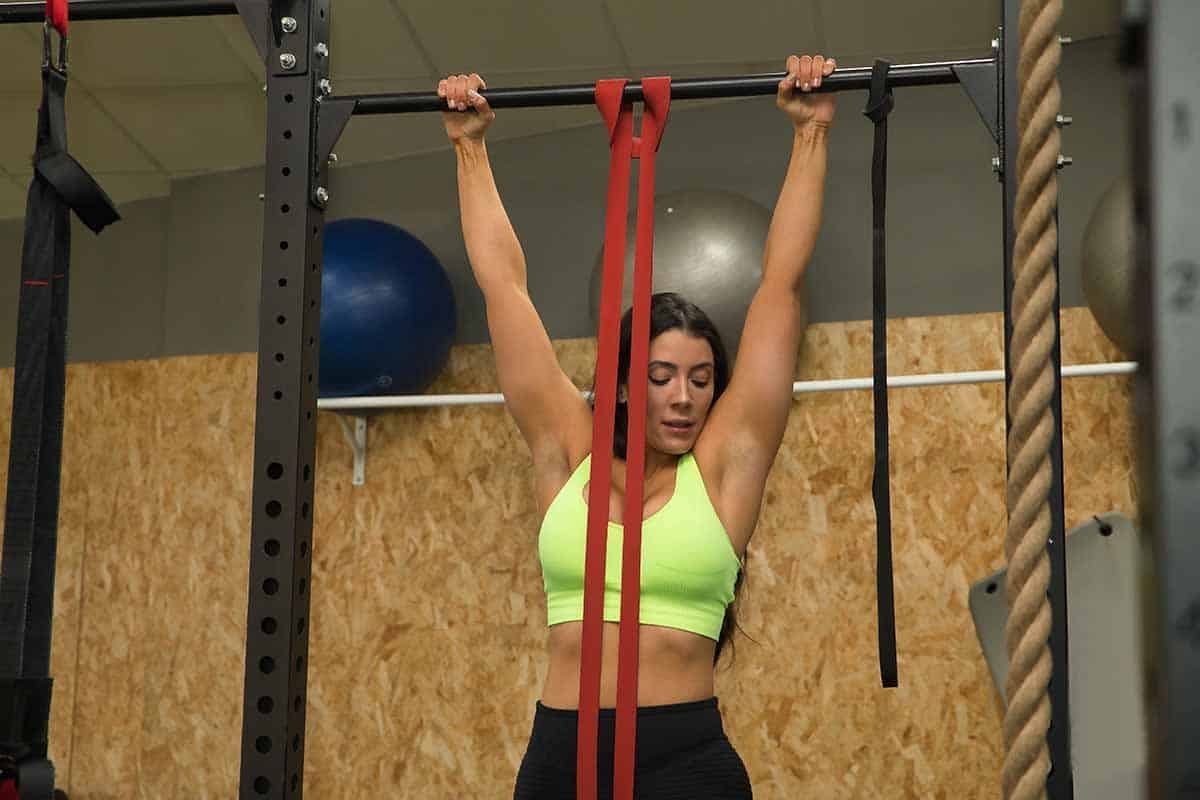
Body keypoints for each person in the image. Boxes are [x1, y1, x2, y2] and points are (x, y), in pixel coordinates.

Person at [439, 53, 837, 800]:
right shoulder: (568, 448)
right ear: (620, 389)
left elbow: (779, 286)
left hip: (685, 766)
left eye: (700, 378)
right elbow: (505, 288)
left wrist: (810, 136)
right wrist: (470, 147)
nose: (683, 398)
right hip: (560, 760)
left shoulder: (723, 468)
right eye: (658, 378)